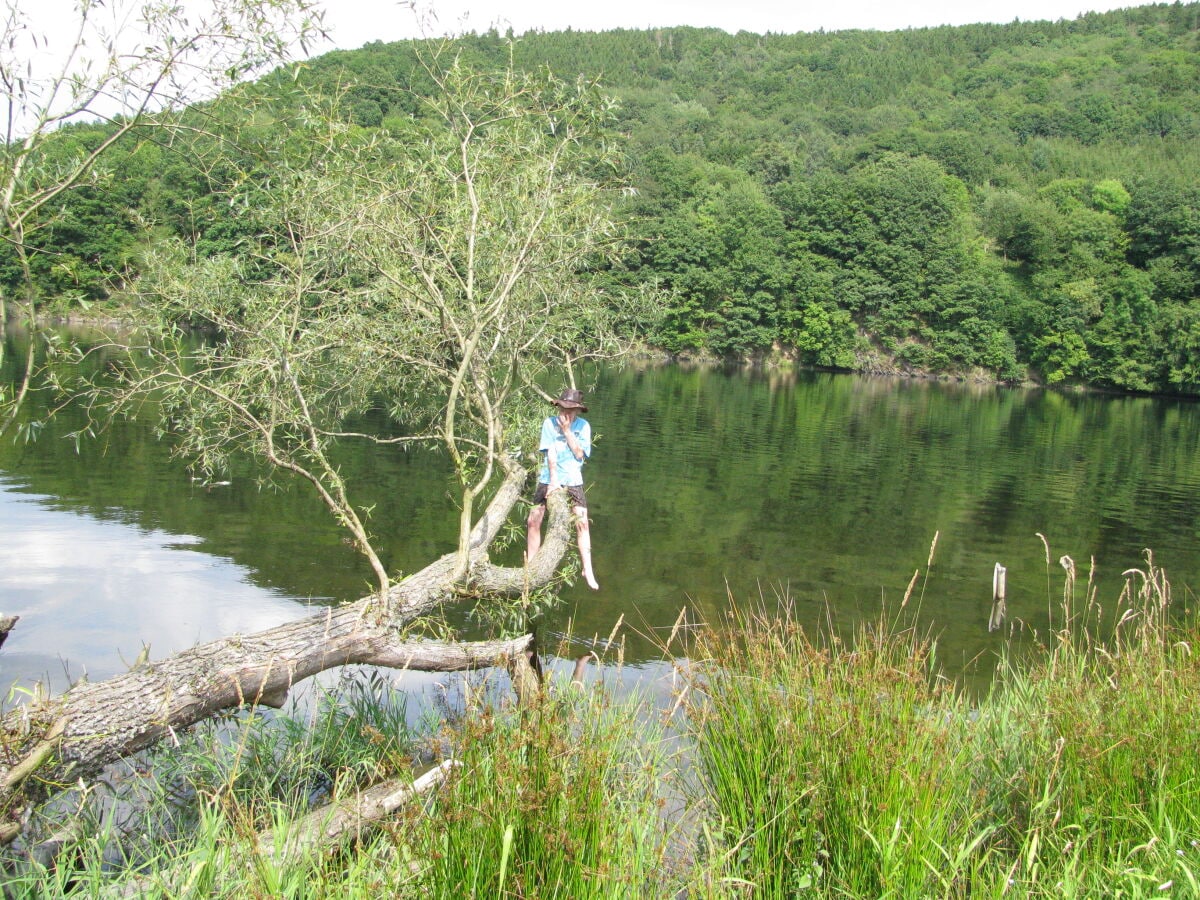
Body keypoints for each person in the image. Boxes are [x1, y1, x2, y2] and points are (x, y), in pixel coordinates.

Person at [526, 388, 599, 590]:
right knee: (534, 520)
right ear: (558, 406)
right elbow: (550, 453)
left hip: (573, 479)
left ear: (577, 410)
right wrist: (553, 482)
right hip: (549, 477)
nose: (566, 412)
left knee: (582, 522)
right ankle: (531, 565)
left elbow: (579, 455)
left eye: (570, 409)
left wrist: (567, 431)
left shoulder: (583, 427)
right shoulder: (549, 424)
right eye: (563, 408)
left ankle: (588, 569)